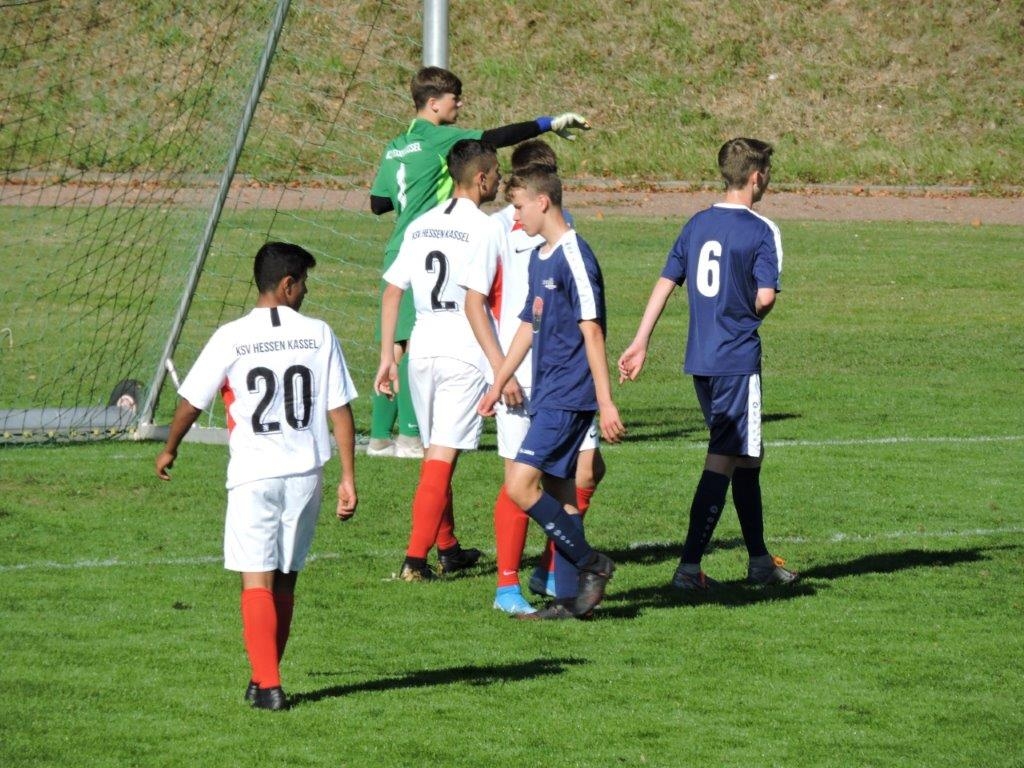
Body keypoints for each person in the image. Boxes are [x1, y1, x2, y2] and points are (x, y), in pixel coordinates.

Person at [155, 242, 358, 711]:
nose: (306, 291)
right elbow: (339, 409)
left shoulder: (231, 336)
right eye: (303, 283)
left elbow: (192, 401)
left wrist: (169, 448)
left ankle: (269, 685)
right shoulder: (319, 333)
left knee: (256, 581)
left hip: (254, 475)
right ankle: (262, 676)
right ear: (287, 285)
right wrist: (348, 475)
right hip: (305, 474)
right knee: (284, 580)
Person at [368, 65, 590, 459]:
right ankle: (411, 437)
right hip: (439, 240)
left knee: (400, 343)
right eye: (454, 99)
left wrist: (419, 192)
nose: (460, 105)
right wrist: (545, 123)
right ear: (433, 103)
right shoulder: (440, 139)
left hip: (400, 244)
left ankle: (380, 435)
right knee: (423, 336)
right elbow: (493, 139)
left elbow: (378, 203)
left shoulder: (396, 146)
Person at [617, 137, 798, 591]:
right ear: (755, 177)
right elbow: (765, 297)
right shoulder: (762, 230)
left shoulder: (696, 224)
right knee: (723, 458)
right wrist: (747, 313)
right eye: (767, 174)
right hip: (736, 360)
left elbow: (666, 281)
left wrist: (640, 341)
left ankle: (759, 561)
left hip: (701, 359)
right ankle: (688, 568)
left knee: (747, 457)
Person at [462, 139, 605, 615]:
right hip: (541, 388)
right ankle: (562, 595)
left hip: (567, 392)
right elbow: (526, 321)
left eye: (520, 206)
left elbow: (592, 329)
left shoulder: (572, 252)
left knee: (527, 485)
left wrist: (605, 401)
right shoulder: (536, 250)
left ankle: (587, 566)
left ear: (542, 201)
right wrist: (498, 378)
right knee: (557, 492)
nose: (515, 215)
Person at [374, 139, 505, 581]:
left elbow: (392, 292)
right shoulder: (488, 228)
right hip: (464, 347)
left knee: (435, 453)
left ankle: (447, 547)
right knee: (441, 457)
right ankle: (414, 560)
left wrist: (387, 356)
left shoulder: (421, 224)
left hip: (423, 346)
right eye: (497, 173)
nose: (500, 179)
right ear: (481, 179)